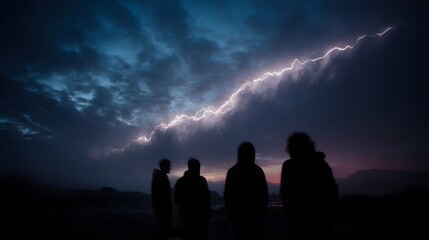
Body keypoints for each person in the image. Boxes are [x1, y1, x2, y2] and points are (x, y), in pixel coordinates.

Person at [280, 132, 339, 240]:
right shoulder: (322, 165)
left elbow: (285, 194)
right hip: (322, 223)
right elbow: (333, 193)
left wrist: (291, 217)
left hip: (300, 223)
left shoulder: (289, 166)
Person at [224, 142, 268, 240]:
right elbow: (264, 196)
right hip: (254, 219)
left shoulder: (232, 172)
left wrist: (231, 216)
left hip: (240, 220)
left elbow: (227, 197)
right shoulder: (258, 171)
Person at [175, 158, 211, 240]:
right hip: (199, 218)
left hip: (188, 217)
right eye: (198, 167)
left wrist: (182, 211)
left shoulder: (180, 181)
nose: (199, 169)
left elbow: (177, 199)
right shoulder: (202, 180)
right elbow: (207, 198)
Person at [152, 159, 172, 240]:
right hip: (163, 210)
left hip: (161, 209)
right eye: (168, 166)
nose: (170, 168)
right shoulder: (161, 177)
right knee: (163, 231)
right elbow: (162, 195)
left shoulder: (160, 176)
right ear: (164, 166)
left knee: (163, 231)